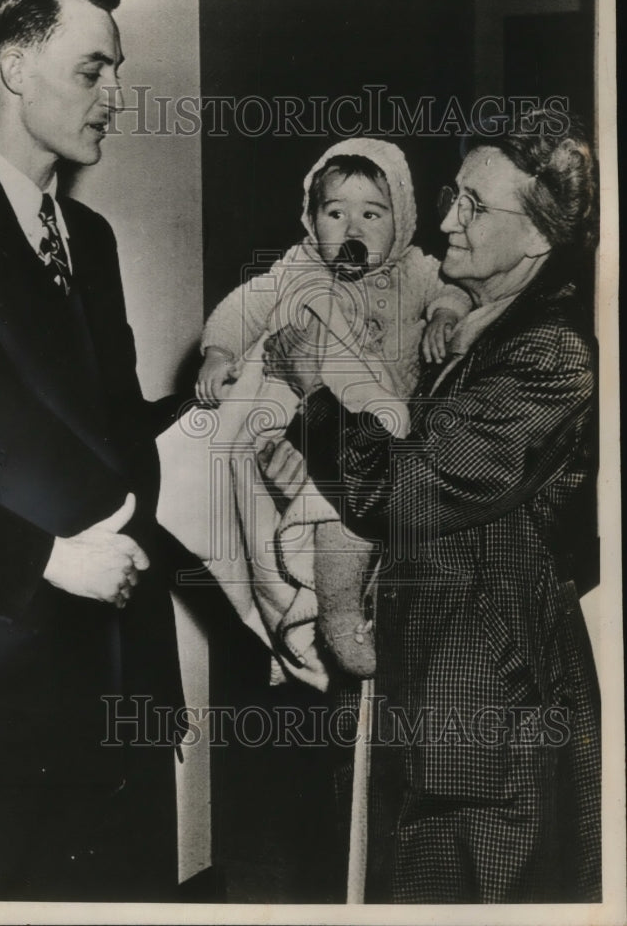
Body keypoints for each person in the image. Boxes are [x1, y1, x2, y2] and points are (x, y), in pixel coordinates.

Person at [260, 115, 600, 902]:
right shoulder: (480, 334)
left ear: (540, 238)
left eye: (476, 208)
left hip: (487, 707)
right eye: (455, 198)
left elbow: (406, 489)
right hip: (440, 681)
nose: (447, 220)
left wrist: (314, 396)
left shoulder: (551, 351)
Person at [0, 0, 185, 901]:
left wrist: (206, 408)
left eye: (115, 72)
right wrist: (41, 558)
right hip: (1, 680)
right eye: (93, 72)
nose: (116, 98)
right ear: (11, 68)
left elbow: (104, 440)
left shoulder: (95, 242)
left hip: (122, 675)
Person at [187, 139, 470, 680]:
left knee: (346, 522)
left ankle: (337, 614)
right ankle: (298, 613)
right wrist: (218, 352)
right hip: (302, 422)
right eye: (334, 213)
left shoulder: (414, 268)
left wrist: (443, 319)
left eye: (372, 213)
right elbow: (246, 303)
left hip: (374, 434)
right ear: (312, 221)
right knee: (280, 489)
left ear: (403, 220)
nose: (352, 228)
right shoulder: (300, 267)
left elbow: (452, 291)